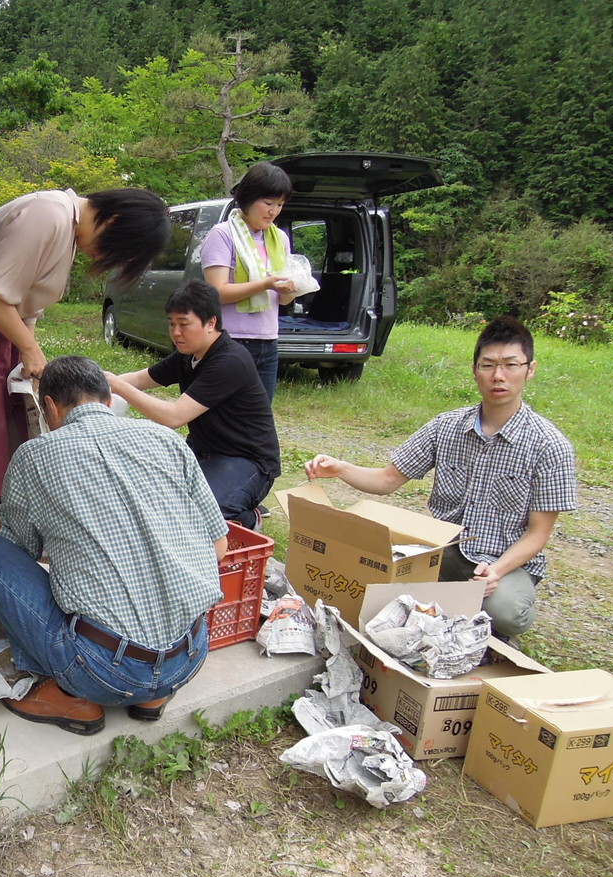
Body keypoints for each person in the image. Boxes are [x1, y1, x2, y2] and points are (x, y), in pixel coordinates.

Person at [0, 355, 229, 735]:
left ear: (51, 408)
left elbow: (19, 551)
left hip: (102, 671)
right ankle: (153, 696)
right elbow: (218, 546)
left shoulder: (34, 456)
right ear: (109, 402)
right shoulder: (166, 439)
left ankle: (68, 695)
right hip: (188, 657)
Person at [0, 188, 170, 550]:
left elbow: (26, 303)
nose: (106, 258)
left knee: (7, 438)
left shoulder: (65, 229)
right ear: (112, 221)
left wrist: (26, 348)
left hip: (0, 331)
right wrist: (28, 346)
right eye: (116, 249)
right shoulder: (47, 214)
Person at [304, 317, 577, 640]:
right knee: (370, 569)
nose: (498, 376)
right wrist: (341, 469)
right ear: (475, 370)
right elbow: (387, 480)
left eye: (510, 365)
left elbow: (537, 534)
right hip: (444, 550)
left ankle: (494, 626)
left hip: (504, 561)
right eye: (487, 365)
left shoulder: (550, 445)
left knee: (507, 612)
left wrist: (497, 571)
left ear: (529, 369)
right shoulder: (445, 427)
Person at [105, 279, 279, 531]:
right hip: (203, 452)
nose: (176, 332)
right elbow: (142, 379)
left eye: (184, 324)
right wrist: (96, 381)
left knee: (202, 513)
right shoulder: (188, 355)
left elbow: (174, 416)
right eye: (172, 324)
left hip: (247, 461)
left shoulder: (229, 361)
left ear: (211, 323)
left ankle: (248, 519)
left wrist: (119, 387)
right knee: (149, 495)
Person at [199, 161, 298, 400]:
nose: (273, 211)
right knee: (225, 412)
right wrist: (266, 283)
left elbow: (283, 300)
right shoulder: (222, 235)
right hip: (230, 340)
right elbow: (217, 292)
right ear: (248, 197)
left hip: (268, 340)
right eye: (267, 203)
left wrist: (292, 288)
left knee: (260, 416)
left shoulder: (279, 239)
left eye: (280, 204)